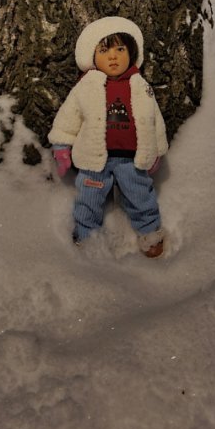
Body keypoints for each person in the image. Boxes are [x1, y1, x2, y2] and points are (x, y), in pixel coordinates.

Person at [49, 16, 168, 258]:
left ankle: (149, 231)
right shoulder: (86, 86)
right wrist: (62, 146)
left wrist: (157, 151)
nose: (113, 56)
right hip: (94, 161)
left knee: (140, 195)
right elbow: (69, 115)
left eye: (120, 49)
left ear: (131, 52)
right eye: (104, 50)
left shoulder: (140, 85)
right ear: (93, 57)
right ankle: (85, 234)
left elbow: (153, 119)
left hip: (131, 160)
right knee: (88, 199)